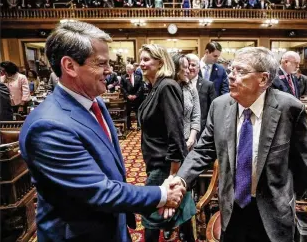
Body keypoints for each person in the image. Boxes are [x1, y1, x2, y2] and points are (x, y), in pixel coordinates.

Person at [18, 21, 186, 242]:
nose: (109, 70)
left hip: (111, 224)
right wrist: (163, 194)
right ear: (70, 66)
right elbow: (97, 191)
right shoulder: (48, 126)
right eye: (101, 63)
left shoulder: (95, 102)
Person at [169, 47, 307, 242]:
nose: (231, 76)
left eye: (241, 71)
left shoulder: (290, 109)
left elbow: (302, 166)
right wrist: (182, 179)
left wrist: (285, 196)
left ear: (263, 79)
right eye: (232, 70)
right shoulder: (219, 106)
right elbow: (202, 150)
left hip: (274, 212)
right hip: (232, 207)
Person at [138, 44, 195, 242]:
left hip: (164, 165)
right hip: (155, 162)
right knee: (172, 212)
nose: (141, 63)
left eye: (146, 59)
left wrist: (173, 174)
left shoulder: (167, 86)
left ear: (160, 62)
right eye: (141, 59)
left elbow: (176, 133)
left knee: (151, 217)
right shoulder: (155, 87)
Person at [171, 53, 200, 241]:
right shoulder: (168, 87)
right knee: (171, 184)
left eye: (190, 66)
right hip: (171, 147)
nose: (188, 69)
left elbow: (196, 116)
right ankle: (170, 223)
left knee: (186, 184)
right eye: (184, 66)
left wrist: (191, 138)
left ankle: (184, 225)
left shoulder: (191, 88)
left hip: (189, 144)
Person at [187, 53, 217, 139]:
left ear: (198, 67)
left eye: (193, 65)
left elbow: (213, 110)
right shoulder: (178, 84)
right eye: (188, 65)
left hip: (202, 130)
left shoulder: (208, 85)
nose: (190, 67)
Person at [120, 64, 143, 131]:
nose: (127, 69)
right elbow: (122, 88)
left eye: (129, 68)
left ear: (132, 69)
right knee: (128, 113)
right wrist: (128, 95)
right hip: (128, 99)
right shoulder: (123, 77)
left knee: (138, 112)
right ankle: (129, 126)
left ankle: (139, 126)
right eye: (127, 68)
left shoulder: (138, 76)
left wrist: (136, 95)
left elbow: (141, 87)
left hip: (137, 98)